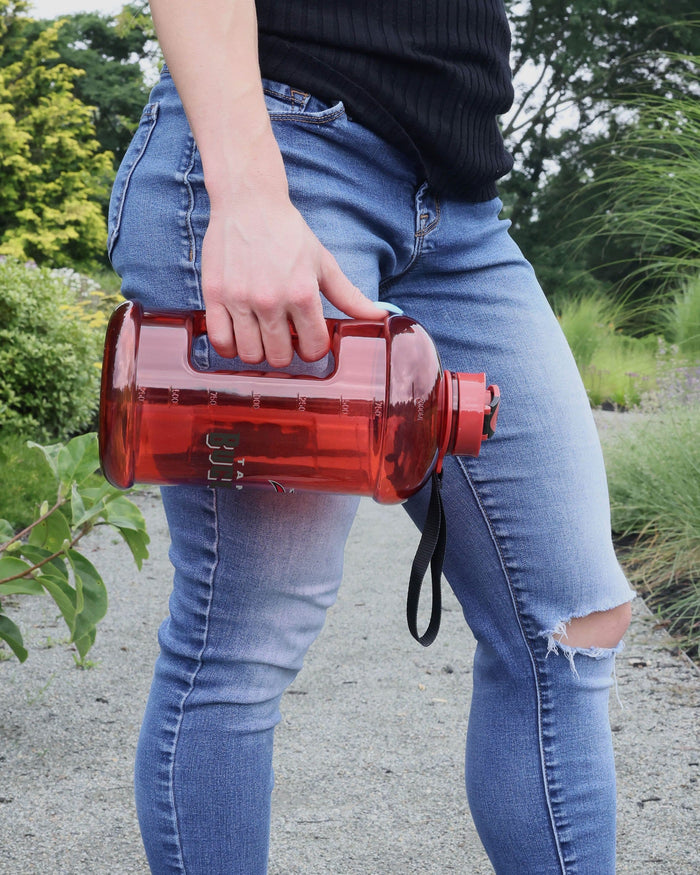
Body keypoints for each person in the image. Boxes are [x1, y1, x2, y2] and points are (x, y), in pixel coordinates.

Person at [107, 1, 635, 872]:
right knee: (244, 638)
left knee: (574, 617)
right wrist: (245, 192)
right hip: (285, 150)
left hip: (461, 203)